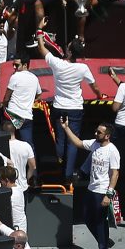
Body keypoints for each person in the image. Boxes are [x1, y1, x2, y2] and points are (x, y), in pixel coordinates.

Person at [38, 32, 102, 187]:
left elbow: (41, 48)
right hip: (75, 109)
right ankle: (68, 175)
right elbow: (94, 86)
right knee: (72, 142)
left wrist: (40, 32)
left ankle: (59, 159)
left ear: (70, 52)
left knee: (60, 138)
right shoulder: (83, 68)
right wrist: (99, 95)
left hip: (59, 107)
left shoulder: (57, 64)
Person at [59, 118, 120, 249]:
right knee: (87, 217)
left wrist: (109, 194)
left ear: (107, 136)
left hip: (102, 190)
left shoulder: (112, 151)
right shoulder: (94, 144)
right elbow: (78, 143)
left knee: (100, 221)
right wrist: (66, 128)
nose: (96, 133)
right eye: (96, 131)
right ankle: (104, 241)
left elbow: (115, 173)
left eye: (99, 132)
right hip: (91, 189)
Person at [1, 56, 41, 146]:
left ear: (25, 65)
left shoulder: (15, 76)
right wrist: (30, 102)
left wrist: (4, 107)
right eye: (13, 65)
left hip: (13, 115)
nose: (14, 67)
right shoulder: (35, 78)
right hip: (27, 116)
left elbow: (7, 96)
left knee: (8, 143)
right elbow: (39, 95)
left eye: (17, 65)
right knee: (28, 145)